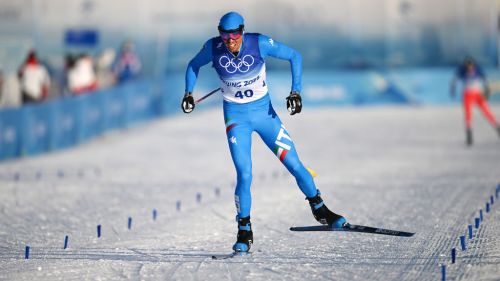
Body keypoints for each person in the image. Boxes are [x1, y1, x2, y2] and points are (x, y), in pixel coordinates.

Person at [181, 11, 346, 253]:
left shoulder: (258, 42)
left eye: (235, 34)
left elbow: (294, 56)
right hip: (237, 120)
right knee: (245, 174)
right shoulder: (213, 47)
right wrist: (188, 92)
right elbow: (193, 65)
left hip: (265, 116)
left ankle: (320, 209)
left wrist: (296, 92)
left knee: (295, 165)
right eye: (225, 35)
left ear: (243, 30)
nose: (230, 40)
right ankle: (244, 230)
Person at [450, 57, 500, 146]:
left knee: (487, 111)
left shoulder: (478, 69)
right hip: (468, 94)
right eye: (468, 67)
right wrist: (453, 88)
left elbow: (485, 79)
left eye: (471, 67)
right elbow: (455, 79)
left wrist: (487, 89)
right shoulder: (462, 70)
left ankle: (497, 127)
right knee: (468, 114)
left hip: (477, 93)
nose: (470, 69)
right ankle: (469, 133)